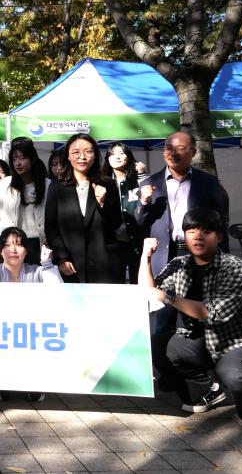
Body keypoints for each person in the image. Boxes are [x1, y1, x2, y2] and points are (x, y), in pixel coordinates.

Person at [139, 209, 242, 429]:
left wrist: (167, 297)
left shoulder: (236, 269)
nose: (198, 236)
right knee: (157, 345)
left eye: (206, 231)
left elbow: (210, 313)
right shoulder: (179, 264)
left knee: (235, 375)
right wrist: (146, 257)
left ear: (219, 237)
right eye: (191, 231)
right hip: (203, 341)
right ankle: (207, 391)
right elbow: (148, 291)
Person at [135, 130, 227, 391]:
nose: (172, 153)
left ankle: (202, 373)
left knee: (197, 313)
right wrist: (143, 203)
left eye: (179, 148)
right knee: (161, 316)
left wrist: (220, 258)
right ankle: (166, 374)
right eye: (167, 148)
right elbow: (138, 222)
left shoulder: (207, 183)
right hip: (163, 254)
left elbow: (220, 220)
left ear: (193, 151)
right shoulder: (150, 182)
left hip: (196, 253)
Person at [0, 227, 61, 402]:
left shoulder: (36, 271)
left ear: (26, 250)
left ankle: (33, 382)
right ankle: (2, 383)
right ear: (0, 250)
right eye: (8, 245)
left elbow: (59, 292)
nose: (13, 250)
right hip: (2, 335)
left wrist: (47, 263)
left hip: (32, 336)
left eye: (18, 244)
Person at [45, 134, 123, 284]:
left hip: (103, 263)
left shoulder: (107, 184)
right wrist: (62, 258)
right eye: (76, 152)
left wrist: (102, 204)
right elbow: (51, 227)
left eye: (88, 152)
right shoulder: (57, 186)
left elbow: (116, 223)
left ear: (95, 154)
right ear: (68, 156)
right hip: (71, 264)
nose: (82, 157)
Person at [0, 139, 50, 263]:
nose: (18, 163)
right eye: (14, 159)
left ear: (33, 159)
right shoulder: (3, 185)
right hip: (13, 244)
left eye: (22, 158)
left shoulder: (47, 185)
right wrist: (4, 234)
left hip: (41, 244)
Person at [101, 142, 148, 283]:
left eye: (121, 153)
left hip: (138, 240)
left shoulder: (139, 178)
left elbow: (149, 200)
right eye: (112, 154)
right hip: (112, 243)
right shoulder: (102, 181)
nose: (117, 157)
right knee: (116, 283)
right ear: (107, 158)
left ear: (129, 157)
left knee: (139, 281)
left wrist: (142, 174)